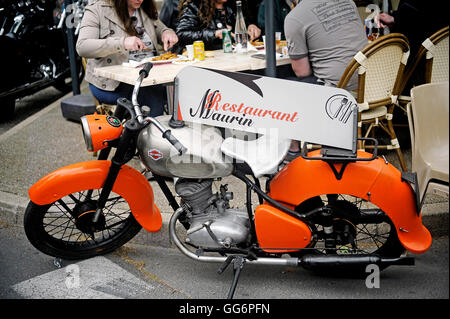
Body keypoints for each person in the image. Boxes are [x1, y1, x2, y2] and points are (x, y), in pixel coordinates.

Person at [283, 0, 367, 159]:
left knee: (282, 87)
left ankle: (293, 149)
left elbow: (302, 71)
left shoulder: (295, 17)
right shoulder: (348, 1)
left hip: (338, 93)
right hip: (370, 86)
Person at [76, 0, 178, 117]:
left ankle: (169, 129)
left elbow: (159, 28)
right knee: (152, 95)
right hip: (113, 84)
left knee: (180, 88)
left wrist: (167, 32)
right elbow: (82, 47)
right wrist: (122, 43)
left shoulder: (144, 8)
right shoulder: (97, 9)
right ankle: (151, 132)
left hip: (150, 77)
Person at [176, 0, 261, 50]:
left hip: (233, 58)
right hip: (206, 61)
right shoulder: (194, 7)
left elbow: (243, 23)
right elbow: (182, 34)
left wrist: (250, 26)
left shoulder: (233, 5)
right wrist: (215, 34)